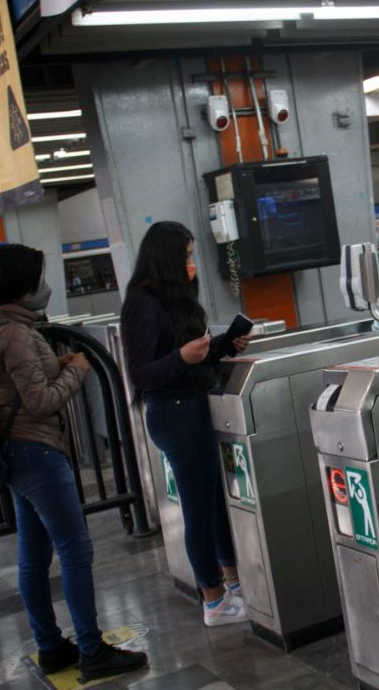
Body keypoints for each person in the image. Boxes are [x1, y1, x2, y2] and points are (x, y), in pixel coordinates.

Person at [0, 243, 148, 680]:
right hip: (37, 451)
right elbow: (38, 400)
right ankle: (92, 651)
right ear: (21, 287)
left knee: (34, 556)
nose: (44, 287)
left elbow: (21, 382)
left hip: (16, 452)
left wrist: (59, 361)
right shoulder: (16, 334)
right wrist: (78, 369)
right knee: (75, 551)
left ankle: (50, 646)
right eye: (37, 279)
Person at [120, 222, 252, 627]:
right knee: (197, 507)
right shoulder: (142, 303)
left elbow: (187, 357)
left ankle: (231, 582)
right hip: (173, 412)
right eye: (187, 256)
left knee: (213, 500)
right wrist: (182, 358)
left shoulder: (171, 299)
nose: (192, 264)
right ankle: (212, 599)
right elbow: (141, 372)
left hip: (191, 405)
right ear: (166, 260)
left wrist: (222, 346)